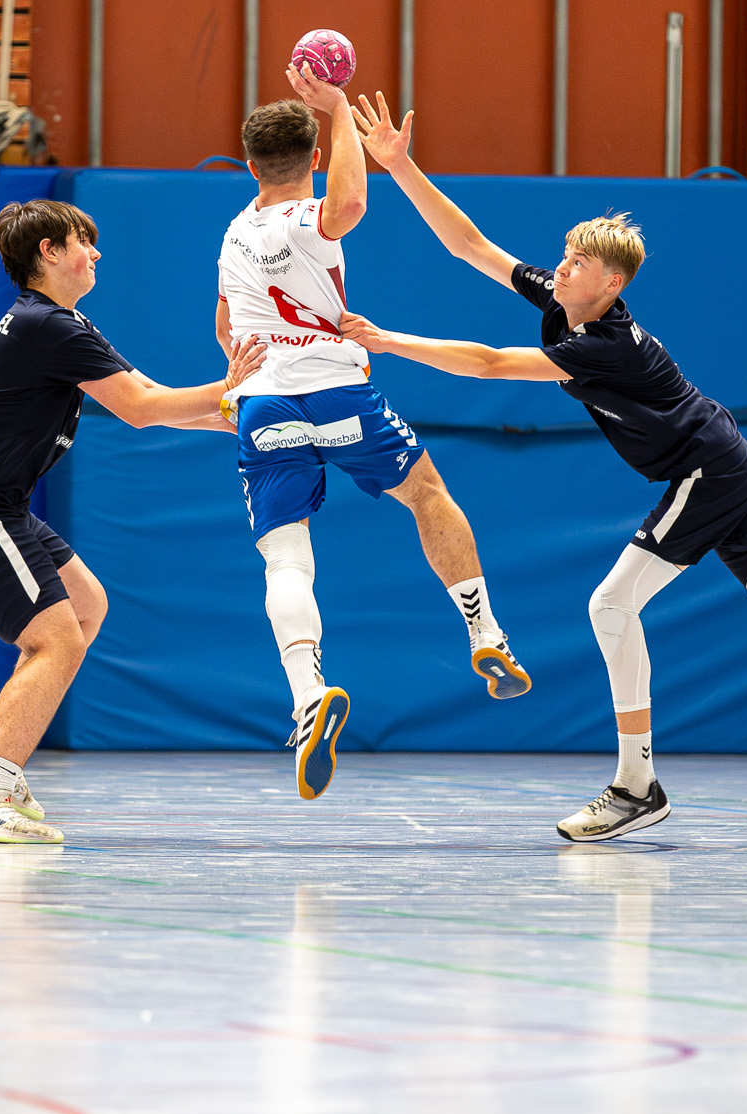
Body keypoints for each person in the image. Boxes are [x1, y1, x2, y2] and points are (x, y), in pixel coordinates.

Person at [339, 93, 747, 843]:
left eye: (579, 263)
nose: (563, 265)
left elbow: (485, 363)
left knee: (610, 606)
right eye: (566, 255)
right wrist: (400, 164)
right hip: (724, 462)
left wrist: (386, 339)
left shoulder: (602, 343)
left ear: (612, 285)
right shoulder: (565, 300)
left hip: (708, 468)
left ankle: (636, 782)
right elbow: (470, 244)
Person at [0, 199, 265, 845]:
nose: (96, 252)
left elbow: (150, 397)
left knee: (86, 606)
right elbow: (142, 409)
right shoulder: (48, 327)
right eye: (83, 241)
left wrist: (237, 413)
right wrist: (231, 389)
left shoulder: (62, 322)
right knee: (57, 640)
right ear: (48, 251)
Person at [217, 68, 529, 804]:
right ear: (313, 161)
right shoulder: (306, 217)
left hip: (260, 401)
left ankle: (306, 696)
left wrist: (239, 381)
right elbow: (349, 204)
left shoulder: (234, 232)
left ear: (251, 164)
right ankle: (484, 633)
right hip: (336, 388)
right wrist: (338, 113)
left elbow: (227, 330)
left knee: (285, 559)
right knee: (425, 494)